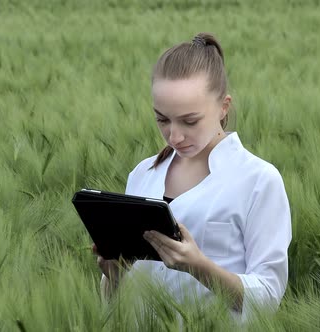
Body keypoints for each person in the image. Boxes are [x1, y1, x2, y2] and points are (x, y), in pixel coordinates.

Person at [92, 32, 292, 322]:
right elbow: (117, 302)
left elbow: (268, 298)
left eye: (190, 121)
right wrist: (114, 275)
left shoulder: (259, 181)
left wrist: (199, 267)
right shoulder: (143, 174)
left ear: (224, 106)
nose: (174, 136)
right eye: (162, 119)